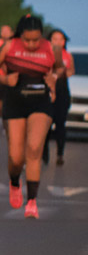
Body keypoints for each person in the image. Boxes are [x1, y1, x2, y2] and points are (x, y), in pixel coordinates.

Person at [0, 15, 63, 219]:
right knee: (16, 157)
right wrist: (5, 79)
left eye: (35, 40)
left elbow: (60, 67)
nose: (31, 44)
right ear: (21, 36)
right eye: (27, 40)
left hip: (41, 102)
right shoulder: (9, 46)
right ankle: (14, 182)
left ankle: (32, 202)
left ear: (41, 36)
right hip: (15, 101)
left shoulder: (51, 48)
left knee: (34, 148)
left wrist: (53, 78)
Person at [45, 29, 73, 166]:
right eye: (54, 39)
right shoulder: (45, 55)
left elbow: (71, 70)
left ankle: (60, 153)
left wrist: (62, 73)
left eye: (60, 39)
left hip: (62, 93)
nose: (57, 42)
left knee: (60, 124)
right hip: (48, 92)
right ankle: (44, 154)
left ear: (64, 42)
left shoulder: (67, 55)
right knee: (45, 125)